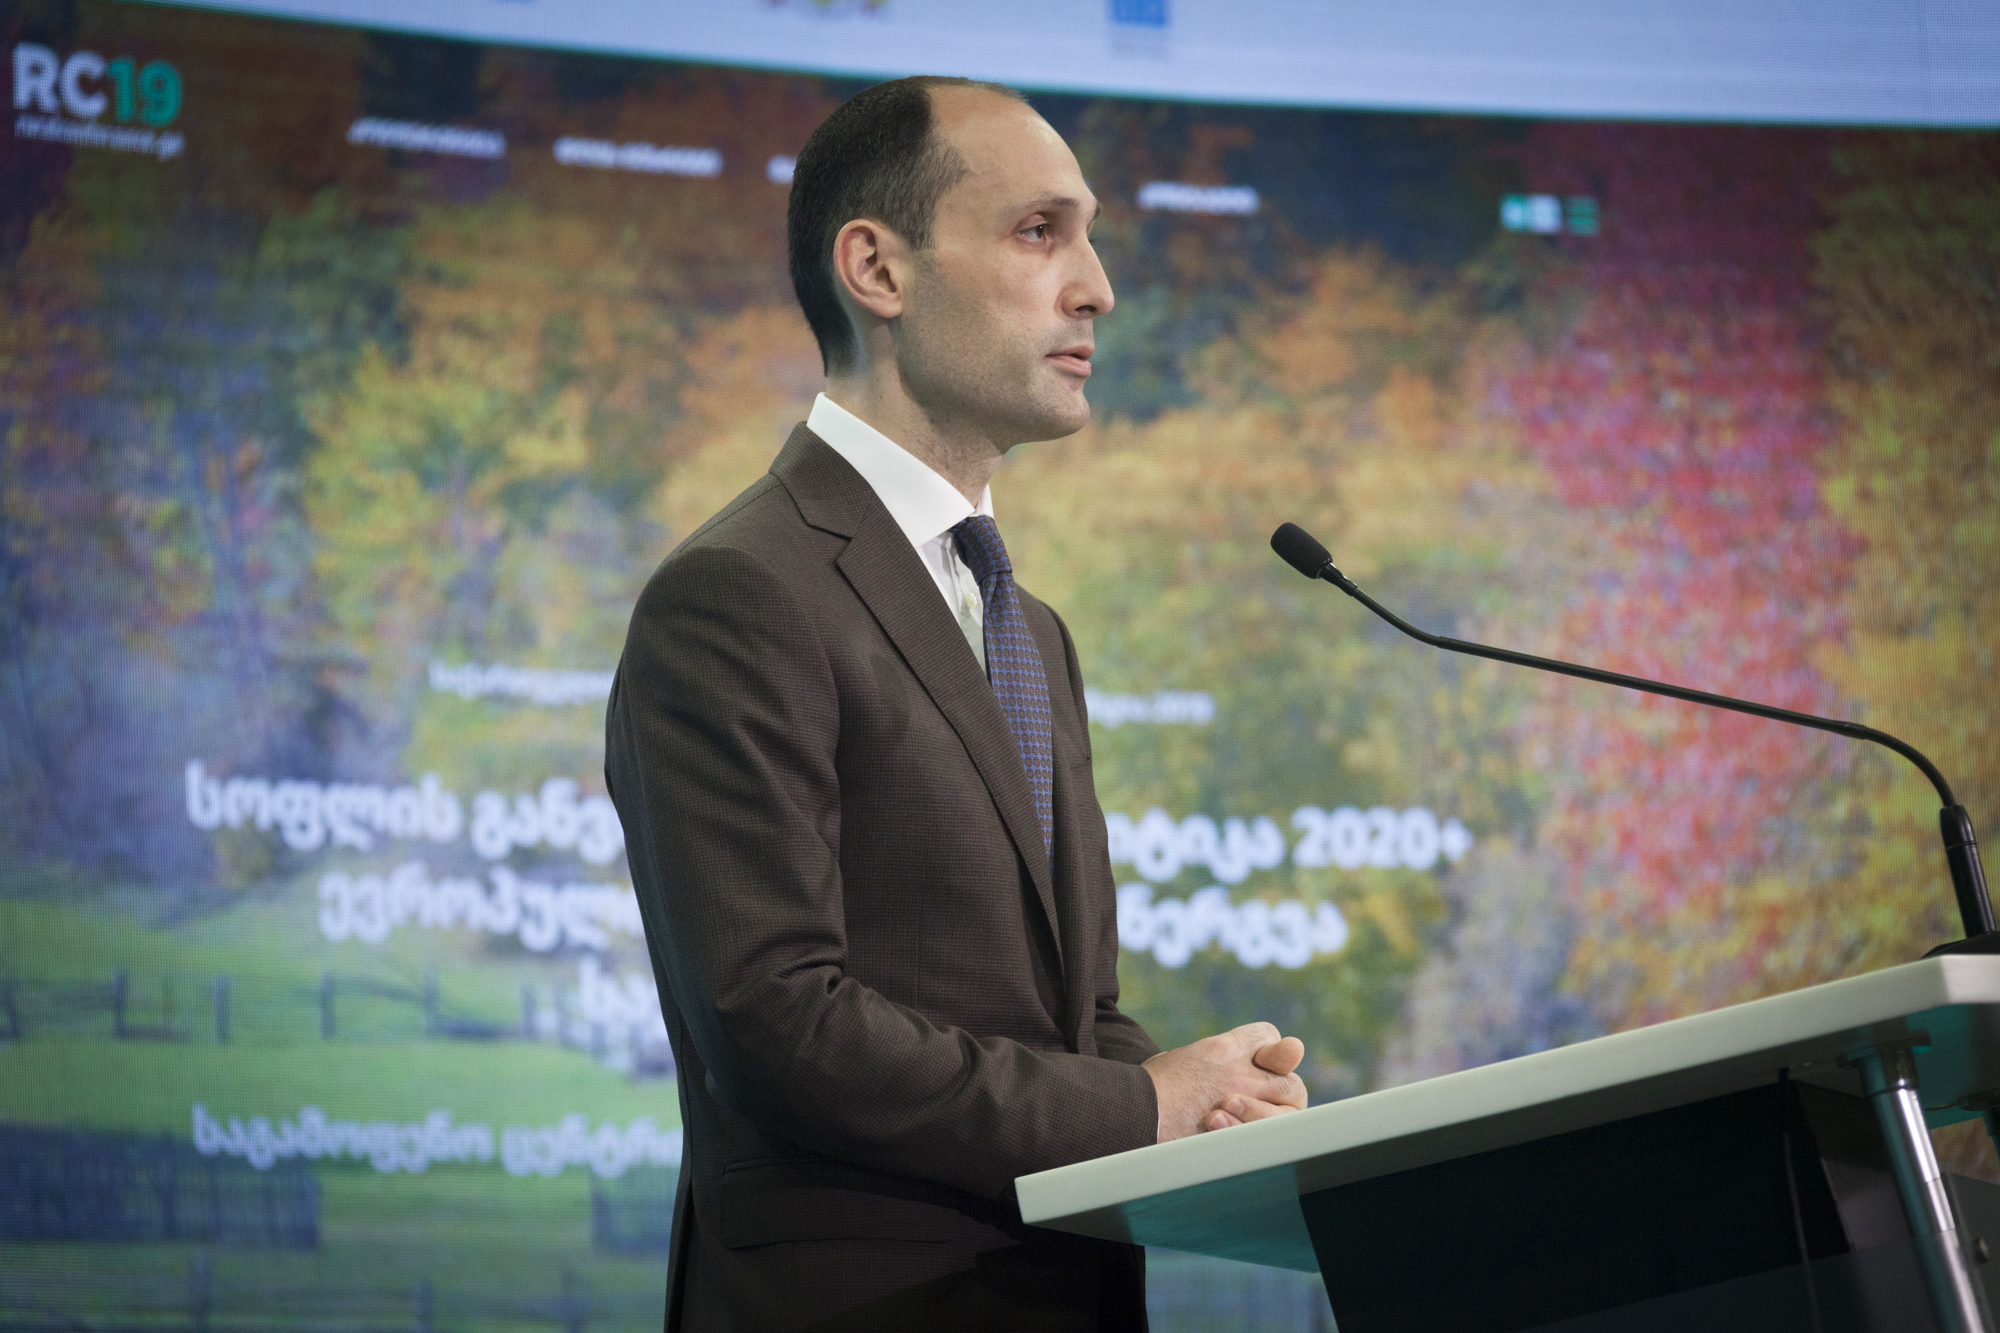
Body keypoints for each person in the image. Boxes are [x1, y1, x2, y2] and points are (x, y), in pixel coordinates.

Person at [605, 75, 1308, 1332]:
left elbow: (1071, 1015)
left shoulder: (1030, 628)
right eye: (1039, 232)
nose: (1096, 288)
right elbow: (776, 1023)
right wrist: (1142, 1104)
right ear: (876, 269)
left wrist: (1213, 1101)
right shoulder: (737, 594)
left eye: (1089, 237)